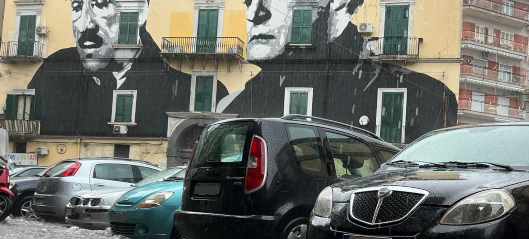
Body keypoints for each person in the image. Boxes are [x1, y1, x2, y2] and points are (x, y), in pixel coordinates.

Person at [221, 0, 457, 143]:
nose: (255, 14)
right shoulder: (237, 101)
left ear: (342, 6)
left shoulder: (431, 96)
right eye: (249, 1)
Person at [28, 0, 228, 137]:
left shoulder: (183, 87)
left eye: (100, 4)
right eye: (77, 6)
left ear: (140, 11)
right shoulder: (52, 71)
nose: (84, 25)